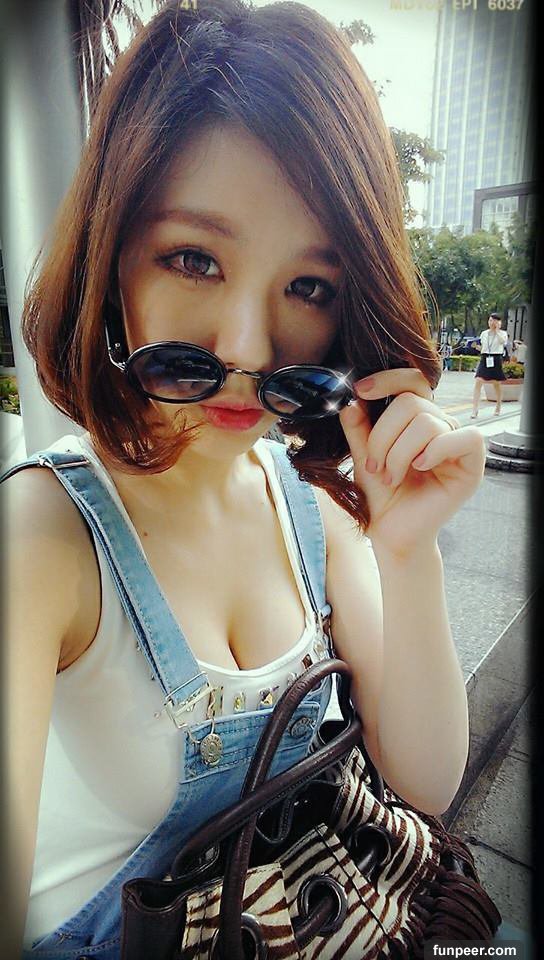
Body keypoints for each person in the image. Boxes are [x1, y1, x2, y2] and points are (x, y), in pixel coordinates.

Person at [2, 2, 487, 957]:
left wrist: (409, 550)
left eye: (308, 287)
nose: (249, 349)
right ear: (112, 257)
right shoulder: (42, 538)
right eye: (195, 259)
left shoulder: (307, 507)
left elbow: (426, 783)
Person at [471, 313, 508, 418]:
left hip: (496, 358)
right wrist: (478, 348)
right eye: (490, 320)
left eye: (494, 321)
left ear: (499, 323)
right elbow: (484, 347)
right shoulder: (484, 333)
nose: (492, 323)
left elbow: (503, 342)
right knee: (478, 381)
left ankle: (498, 406)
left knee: (496, 384)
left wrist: (496, 331)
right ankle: (475, 409)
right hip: (485, 358)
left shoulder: (503, 333)